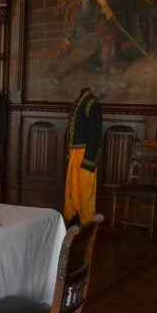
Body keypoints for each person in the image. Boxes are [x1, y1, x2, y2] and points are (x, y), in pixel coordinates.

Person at [46, 0, 120, 85]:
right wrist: (106, 8)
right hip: (83, 10)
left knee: (107, 35)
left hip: (92, 9)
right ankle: (52, 70)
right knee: (69, 41)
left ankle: (107, 67)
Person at [64, 88, 103, 225]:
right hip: (74, 154)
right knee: (72, 189)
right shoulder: (79, 102)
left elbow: (95, 134)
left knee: (84, 191)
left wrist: (89, 160)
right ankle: (74, 218)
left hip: (85, 155)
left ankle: (87, 223)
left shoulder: (92, 103)